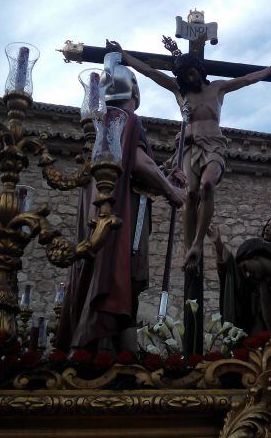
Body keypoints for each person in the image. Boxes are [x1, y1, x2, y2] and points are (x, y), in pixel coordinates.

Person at [106, 39, 271, 273]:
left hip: (213, 145)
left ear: (199, 71)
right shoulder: (179, 91)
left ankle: (199, 243)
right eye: (185, 75)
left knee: (207, 185)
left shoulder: (217, 88)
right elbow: (150, 72)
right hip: (188, 146)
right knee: (190, 194)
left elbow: (245, 80)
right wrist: (125, 55)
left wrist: (269, 70)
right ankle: (188, 247)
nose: (190, 78)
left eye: (192, 72)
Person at [56, 57, 187, 353]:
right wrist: (171, 191)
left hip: (103, 215)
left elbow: (131, 171)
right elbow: (140, 164)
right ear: (136, 93)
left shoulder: (101, 124)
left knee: (119, 288)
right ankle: (116, 357)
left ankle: (120, 355)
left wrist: (164, 175)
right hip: (120, 221)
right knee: (121, 283)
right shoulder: (126, 121)